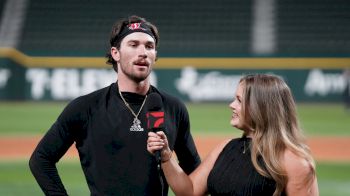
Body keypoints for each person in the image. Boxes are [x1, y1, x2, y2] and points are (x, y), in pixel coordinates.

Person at [29, 15, 201, 196]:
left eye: (149, 46)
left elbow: (195, 176)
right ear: (115, 53)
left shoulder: (174, 108)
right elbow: (41, 160)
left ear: (155, 56)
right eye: (133, 45)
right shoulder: (85, 107)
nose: (142, 52)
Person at [148, 74, 319, 196]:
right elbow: (190, 191)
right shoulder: (226, 147)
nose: (231, 105)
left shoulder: (294, 162)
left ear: (260, 107)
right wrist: (166, 157)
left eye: (239, 100)